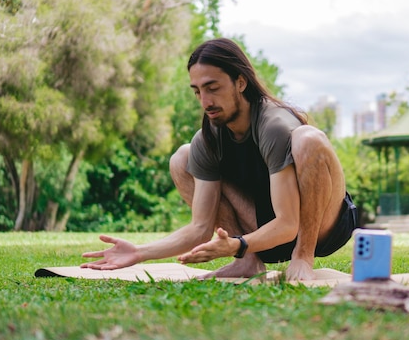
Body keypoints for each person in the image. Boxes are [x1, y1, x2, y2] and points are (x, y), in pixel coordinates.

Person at [81, 38, 358, 281]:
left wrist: (238, 244)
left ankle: (303, 257)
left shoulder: (272, 125)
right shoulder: (209, 139)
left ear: (240, 82)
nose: (205, 101)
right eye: (198, 91)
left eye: (213, 88)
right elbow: (200, 228)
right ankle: (248, 263)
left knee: (308, 139)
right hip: (265, 235)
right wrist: (139, 252)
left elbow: (289, 223)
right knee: (183, 157)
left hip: (323, 227)